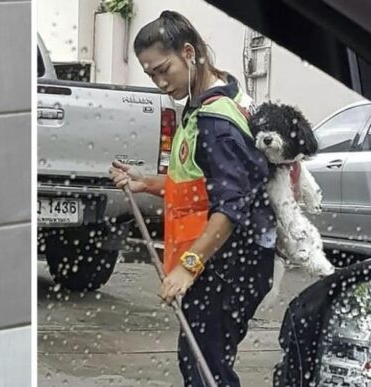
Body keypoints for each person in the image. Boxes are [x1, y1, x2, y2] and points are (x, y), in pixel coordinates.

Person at [109, 11, 276, 387]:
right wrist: (146, 183)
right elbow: (199, 185)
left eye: (163, 68)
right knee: (200, 359)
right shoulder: (198, 105)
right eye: (150, 74)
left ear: (189, 52)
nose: (159, 81)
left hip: (228, 266)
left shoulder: (216, 122)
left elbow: (230, 207)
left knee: (205, 367)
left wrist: (188, 265)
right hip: (217, 263)